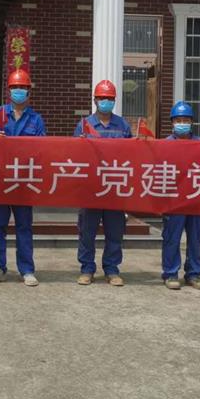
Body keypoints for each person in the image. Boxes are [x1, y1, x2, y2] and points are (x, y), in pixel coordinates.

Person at [0, 69, 46, 286]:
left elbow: (43, 148)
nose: (19, 91)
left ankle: (26, 270)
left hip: (24, 181)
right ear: (9, 91)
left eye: (22, 88)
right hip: (0, 180)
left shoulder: (36, 119)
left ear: (29, 91)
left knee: (24, 227)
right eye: (15, 87)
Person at [72, 80, 131, 287]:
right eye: (102, 98)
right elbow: (74, 155)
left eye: (109, 98)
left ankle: (112, 269)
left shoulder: (123, 125)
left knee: (114, 231)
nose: (105, 101)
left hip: (114, 187)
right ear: (95, 100)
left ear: (114, 100)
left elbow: (132, 155)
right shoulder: (84, 125)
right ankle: (87, 269)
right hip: (91, 188)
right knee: (87, 232)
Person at [160, 100, 200, 291]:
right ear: (172, 122)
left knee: (195, 239)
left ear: (192, 122)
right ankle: (170, 273)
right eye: (178, 120)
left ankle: (193, 274)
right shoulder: (165, 145)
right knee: (172, 238)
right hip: (174, 201)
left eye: (186, 120)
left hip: (196, 199)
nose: (182, 123)